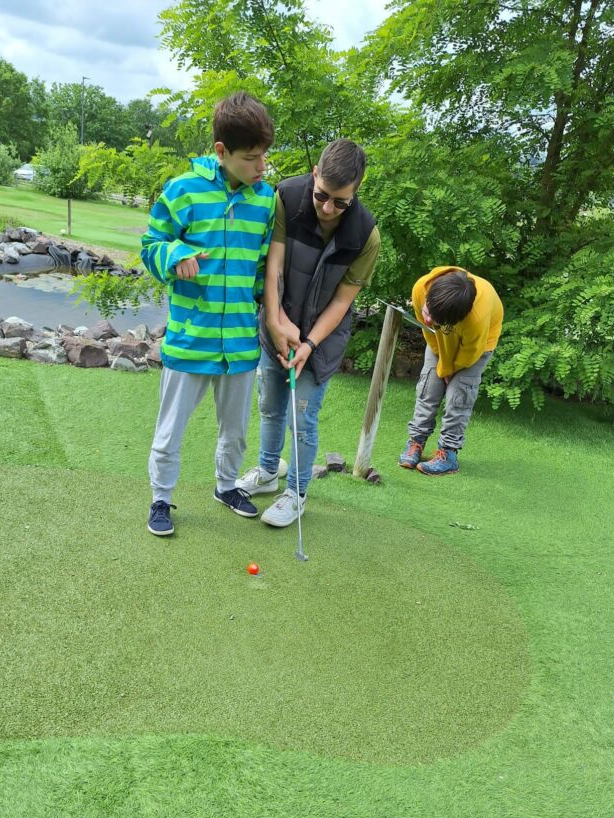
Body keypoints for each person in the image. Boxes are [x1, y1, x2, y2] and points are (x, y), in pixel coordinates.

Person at [140, 92, 276, 537]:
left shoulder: (266, 202)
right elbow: (150, 247)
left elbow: (261, 272)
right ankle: (161, 498)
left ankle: (225, 486)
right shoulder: (181, 192)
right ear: (221, 151)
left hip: (239, 343)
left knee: (235, 432)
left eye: (265, 156)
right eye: (251, 158)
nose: (262, 167)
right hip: (188, 339)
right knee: (169, 433)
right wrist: (175, 253)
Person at [236, 139, 380, 526]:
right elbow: (275, 265)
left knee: (302, 414)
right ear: (314, 175)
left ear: (356, 191)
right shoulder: (287, 196)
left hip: (323, 338)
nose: (328, 207)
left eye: (340, 202)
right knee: (270, 403)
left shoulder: (366, 236)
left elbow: (341, 302)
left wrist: (309, 343)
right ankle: (268, 473)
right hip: (278, 319)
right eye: (322, 196)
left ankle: (296, 493)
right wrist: (275, 322)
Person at [398, 267, 504, 476]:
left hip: (478, 347)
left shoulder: (476, 316)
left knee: (459, 395)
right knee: (429, 386)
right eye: (428, 311)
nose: (428, 319)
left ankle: (448, 454)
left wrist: (451, 370)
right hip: (439, 339)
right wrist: (443, 367)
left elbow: (470, 353)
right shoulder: (421, 288)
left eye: (434, 319)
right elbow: (428, 332)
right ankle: (416, 442)